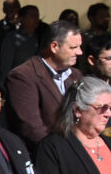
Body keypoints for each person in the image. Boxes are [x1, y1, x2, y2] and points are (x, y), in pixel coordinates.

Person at [5, 19, 84, 150]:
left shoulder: (76, 75)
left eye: (79, 47)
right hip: (46, 153)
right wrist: (63, 152)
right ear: (54, 47)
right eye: (73, 47)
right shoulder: (23, 76)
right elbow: (31, 128)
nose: (80, 52)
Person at [0, 4, 42, 75]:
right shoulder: (12, 38)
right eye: (32, 16)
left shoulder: (40, 37)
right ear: (22, 18)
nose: (36, 19)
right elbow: (6, 66)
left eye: (37, 16)